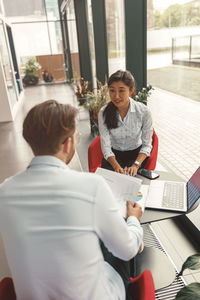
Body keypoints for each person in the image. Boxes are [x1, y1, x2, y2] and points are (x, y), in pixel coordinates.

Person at [0, 100, 143, 300]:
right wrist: (134, 219)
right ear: (68, 144)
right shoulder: (92, 186)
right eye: (77, 137)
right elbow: (127, 251)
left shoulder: (4, 191)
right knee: (122, 241)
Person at [98, 70, 153, 176]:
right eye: (112, 90)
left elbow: (147, 145)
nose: (116, 96)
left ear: (131, 90)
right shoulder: (103, 113)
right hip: (113, 158)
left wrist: (136, 165)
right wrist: (116, 167)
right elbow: (106, 146)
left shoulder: (143, 112)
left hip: (136, 158)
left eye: (121, 91)